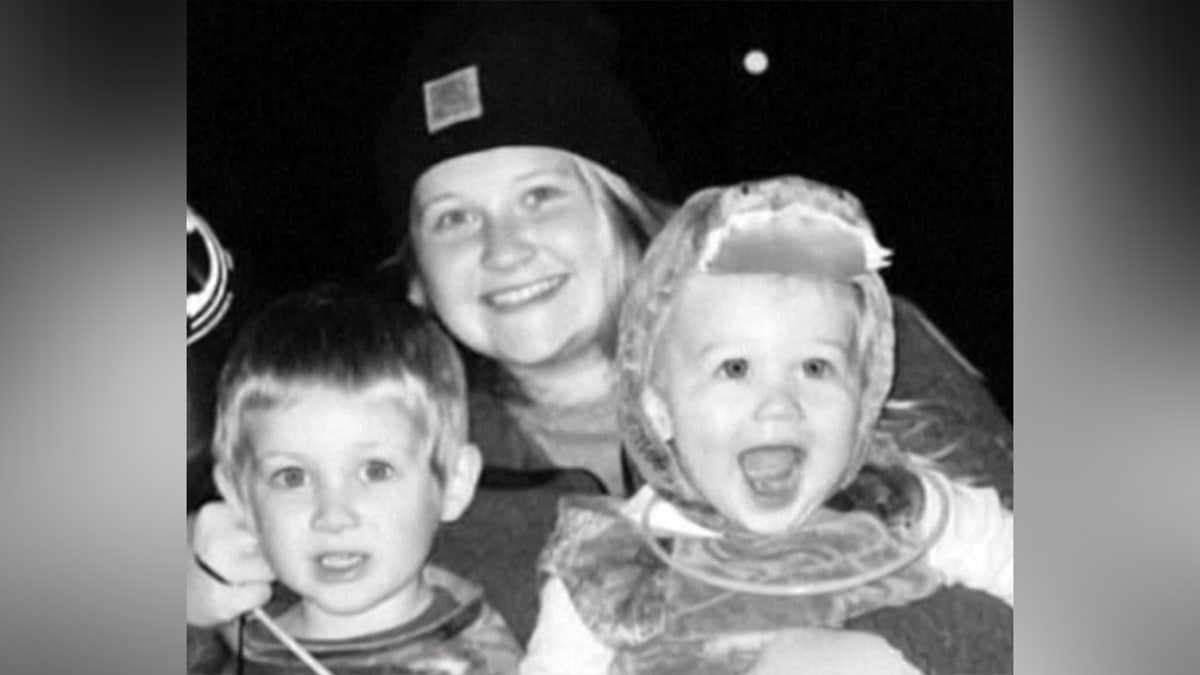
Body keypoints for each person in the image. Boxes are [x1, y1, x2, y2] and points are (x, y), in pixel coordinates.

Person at [192, 4, 1014, 663]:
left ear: (625, 205)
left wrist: (891, 650)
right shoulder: (404, 457)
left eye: (542, 195)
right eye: (452, 217)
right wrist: (195, 608)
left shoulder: (842, 348)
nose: (503, 247)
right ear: (415, 273)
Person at [520, 176, 1013, 675]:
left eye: (815, 368)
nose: (778, 405)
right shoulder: (614, 564)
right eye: (734, 368)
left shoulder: (904, 507)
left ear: (863, 397)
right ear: (658, 409)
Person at [192, 285, 521, 674]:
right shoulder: (214, 647)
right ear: (238, 496)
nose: (333, 516)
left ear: (454, 482)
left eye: (376, 471)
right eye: (292, 477)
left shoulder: (480, 659)